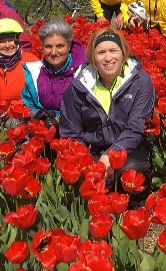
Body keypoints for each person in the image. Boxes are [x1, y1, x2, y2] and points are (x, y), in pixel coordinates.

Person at [60, 28, 154, 205]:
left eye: (113, 50)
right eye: (101, 52)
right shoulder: (78, 87)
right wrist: (88, 163)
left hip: (128, 148)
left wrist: (110, 156)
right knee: (79, 174)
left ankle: (128, 207)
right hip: (92, 150)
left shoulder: (140, 81)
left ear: (123, 53)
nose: (108, 58)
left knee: (132, 171)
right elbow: (71, 132)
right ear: (92, 57)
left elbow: (136, 127)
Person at [22, 19, 87, 127]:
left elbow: (89, 110)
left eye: (60, 46)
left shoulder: (84, 72)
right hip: (42, 129)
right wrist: (39, 115)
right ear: (42, 47)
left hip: (75, 132)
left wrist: (61, 120)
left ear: (69, 45)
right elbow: (28, 105)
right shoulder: (34, 72)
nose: (53, 52)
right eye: (48, 46)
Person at [0, 18, 39, 127]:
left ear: (17, 41)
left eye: (11, 40)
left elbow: (37, 98)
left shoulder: (31, 62)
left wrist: (9, 112)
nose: (7, 45)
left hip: (23, 117)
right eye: (2, 41)